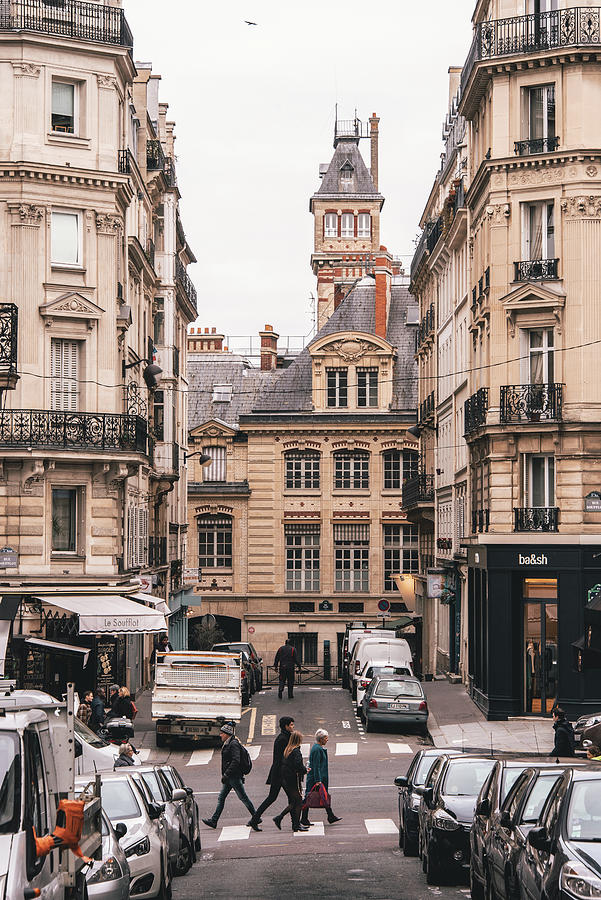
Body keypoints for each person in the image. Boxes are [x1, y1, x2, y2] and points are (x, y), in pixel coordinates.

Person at [202, 723, 257, 829]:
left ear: (227, 734)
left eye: (222, 733)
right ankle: (214, 820)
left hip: (233, 776)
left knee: (243, 798)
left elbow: (236, 760)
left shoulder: (233, 744)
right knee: (221, 798)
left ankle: (256, 817)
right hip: (230, 777)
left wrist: (227, 774)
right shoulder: (229, 743)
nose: (220, 735)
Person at [248, 716, 295, 830]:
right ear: (286, 726)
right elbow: (284, 758)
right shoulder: (283, 739)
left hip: (278, 772)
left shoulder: (285, 737)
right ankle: (294, 823)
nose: (293, 727)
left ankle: (254, 820)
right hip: (281, 773)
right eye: (291, 725)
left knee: (275, 798)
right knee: (291, 799)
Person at [301, 729, 342, 826]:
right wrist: (318, 780)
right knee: (312, 797)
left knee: (319, 796)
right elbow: (316, 766)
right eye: (326, 738)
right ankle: (329, 816)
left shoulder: (317, 748)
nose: (327, 740)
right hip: (316, 779)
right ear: (321, 739)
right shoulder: (317, 749)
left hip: (317, 778)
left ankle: (328, 816)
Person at [273, 730, 308, 832]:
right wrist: (305, 770)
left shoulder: (288, 749)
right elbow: (298, 765)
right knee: (298, 801)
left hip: (286, 779)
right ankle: (282, 818)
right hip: (293, 779)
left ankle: (293, 824)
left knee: (294, 801)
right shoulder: (296, 751)